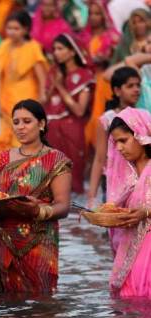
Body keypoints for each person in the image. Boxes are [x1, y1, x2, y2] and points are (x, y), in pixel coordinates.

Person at [0, 100, 72, 294]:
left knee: (40, 301)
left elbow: (63, 206)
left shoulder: (56, 160)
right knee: (5, 302)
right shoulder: (3, 158)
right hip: (2, 237)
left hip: (38, 239)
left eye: (27, 121)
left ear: (42, 124)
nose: (20, 127)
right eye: (16, 122)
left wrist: (38, 210)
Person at [104, 108, 151, 298]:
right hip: (131, 248)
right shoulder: (127, 176)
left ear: (141, 134)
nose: (120, 148)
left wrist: (145, 212)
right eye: (116, 143)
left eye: (124, 140)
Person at [0, 10, 47, 152]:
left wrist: (42, 96)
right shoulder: (3, 46)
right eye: (9, 28)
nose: (11, 32)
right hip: (5, 97)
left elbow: (41, 76)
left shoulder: (33, 47)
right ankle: (5, 173)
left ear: (25, 29)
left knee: (23, 137)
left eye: (16, 28)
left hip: (25, 95)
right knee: (2, 142)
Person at [44, 34, 94, 194]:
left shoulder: (84, 75)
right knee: (49, 183)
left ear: (72, 52)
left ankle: (74, 218)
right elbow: (44, 100)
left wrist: (59, 85)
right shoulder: (53, 72)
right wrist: (54, 83)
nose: (56, 53)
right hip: (51, 130)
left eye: (60, 49)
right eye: (54, 49)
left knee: (73, 180)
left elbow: (79, 110)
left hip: (72, 130)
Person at [88, 67, 141, 208]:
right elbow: (99, 158)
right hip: (113, 180)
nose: (136, 89)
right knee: (114, 222)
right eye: (130, 86)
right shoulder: (107, 119)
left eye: (138, 85)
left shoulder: (143, 116)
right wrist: (92, 196)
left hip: (140, 179)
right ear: (117, 91)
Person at [82, 0, 122, 153]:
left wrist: (107, 59)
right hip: (85, 84)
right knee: (86, 125)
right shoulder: (83, 37)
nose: (93, 17)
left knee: (101, 121)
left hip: (104, 83)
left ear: (104, 15)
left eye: (97, 13)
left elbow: (119, 60)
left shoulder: (113, 37)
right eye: (91, 13)